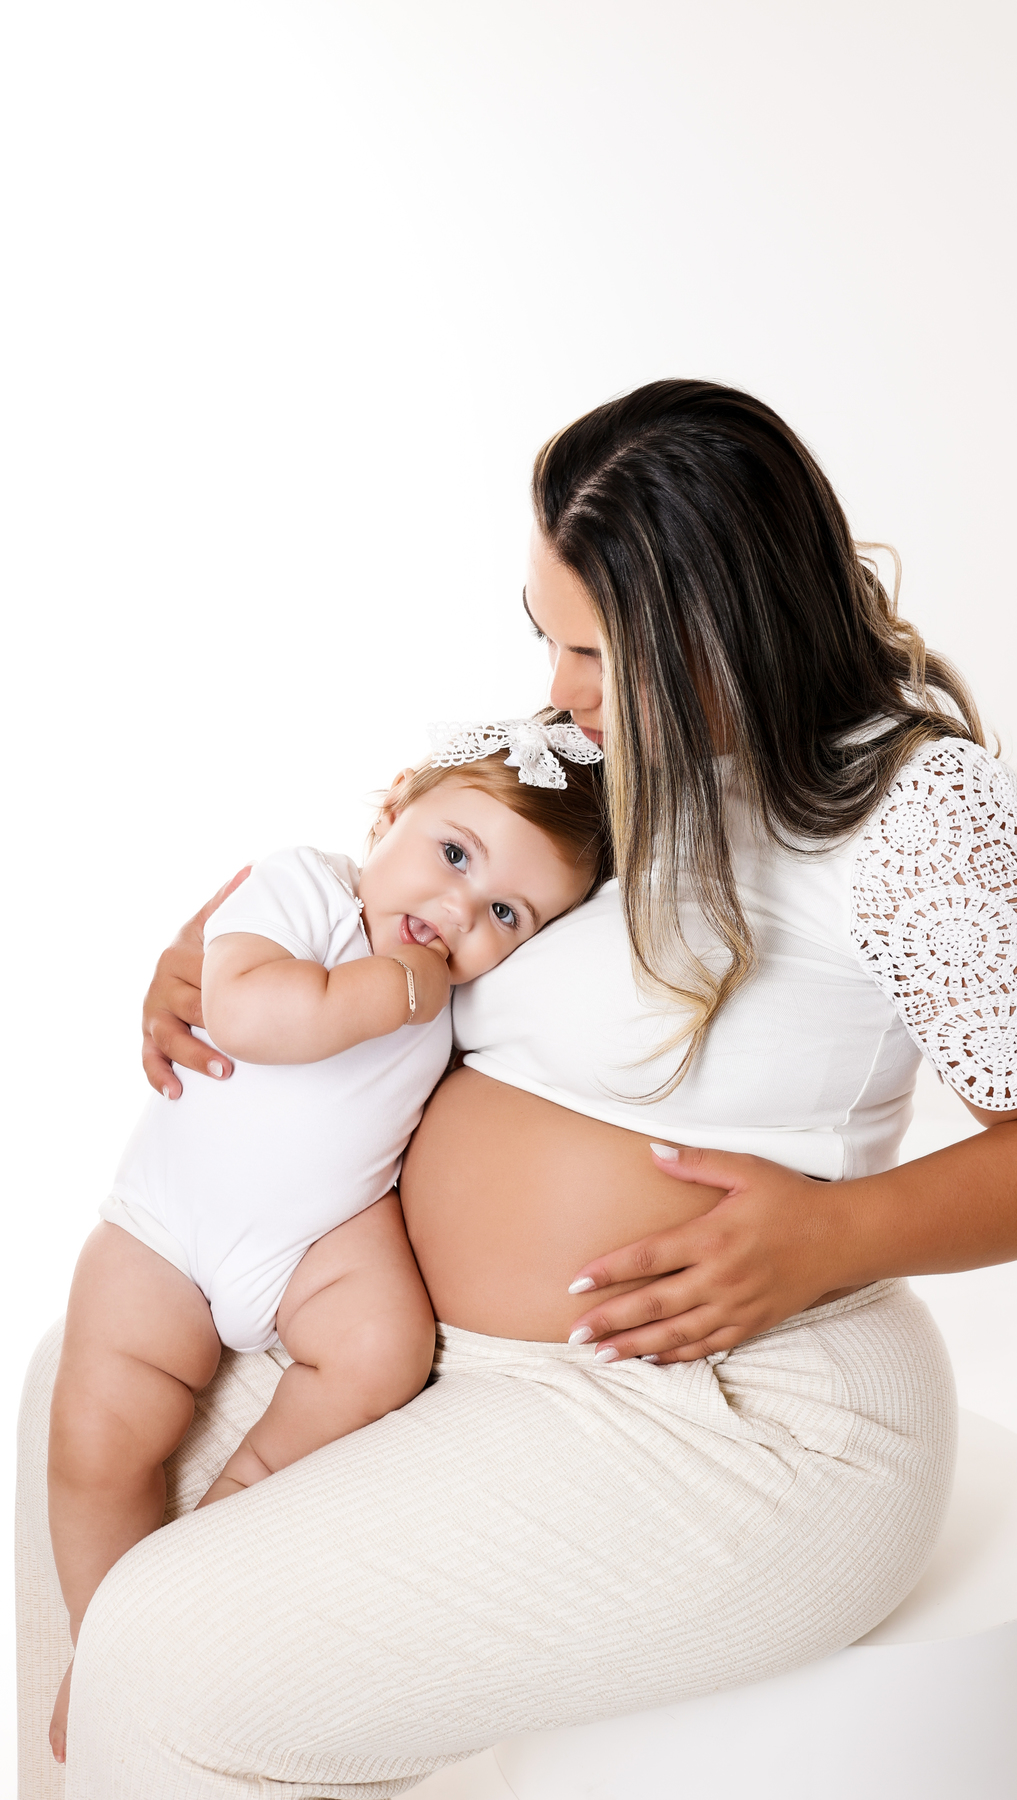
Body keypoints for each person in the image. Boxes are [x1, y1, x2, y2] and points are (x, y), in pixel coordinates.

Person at [14, 380, 1017, 1800]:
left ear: (723, 631)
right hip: (435, 1349)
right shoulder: (602, 760)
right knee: (76, 1396)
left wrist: (830, 1233)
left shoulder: (919, 810)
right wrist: (203, 964)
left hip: (723, 1409)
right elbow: (395, 890)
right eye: (547, 636)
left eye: (596, 653)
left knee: (168, 1660)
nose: (559, 692)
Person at [44, 722, 609, 1764]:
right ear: (390, 812)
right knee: (95, 1438)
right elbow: (247, 1013)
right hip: (169, 1229)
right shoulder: (306, 888)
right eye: (453, 853)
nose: (457, 912)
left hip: (323, 1240)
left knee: (382, 1347)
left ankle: (232, 1510)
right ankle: (101, 1640)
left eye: (505, 914)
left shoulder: (462, 994)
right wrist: (390, 989)